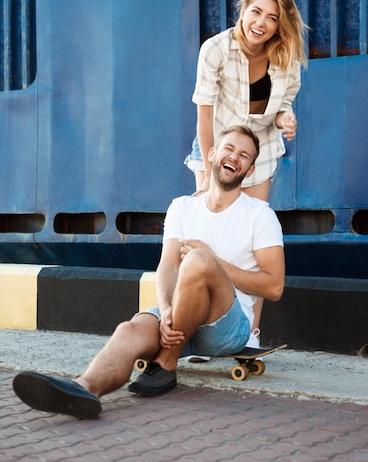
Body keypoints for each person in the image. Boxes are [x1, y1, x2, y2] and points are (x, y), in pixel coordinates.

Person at [13, 125, 285, 420]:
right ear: (212, 153)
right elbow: (167, 265)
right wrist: (167, 309)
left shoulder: (260, 215)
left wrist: (216, 262)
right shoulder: (182, 207)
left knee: (198, 260)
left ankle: (166, 364)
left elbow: (274, 287)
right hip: (183, 317)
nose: (235, 157)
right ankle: (83, 389)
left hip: (226, 330)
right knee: (128, 330)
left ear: (250, 169)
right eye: (229, 148)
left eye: (244, 155)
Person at [185, 0, 307, 342]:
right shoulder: (216, 50)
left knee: (251, 244)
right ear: (243, 8)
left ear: (279, 23)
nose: (262, 23)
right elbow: (204, 116)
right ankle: (204, 331)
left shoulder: (285, 56)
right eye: (256, 11)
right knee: (209, 243)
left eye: (272, 18)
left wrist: (285, 118)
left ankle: (249, 333)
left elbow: (282, 105)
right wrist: (208, 176)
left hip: (261, 154)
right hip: (217, 152)